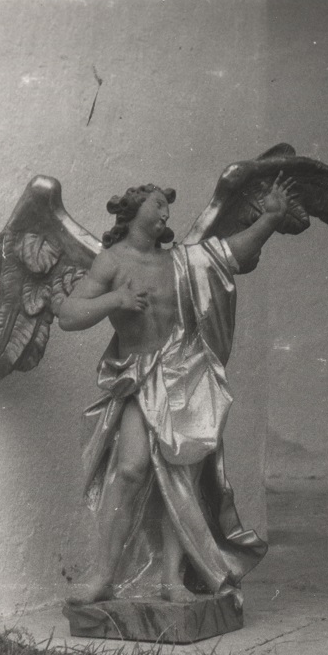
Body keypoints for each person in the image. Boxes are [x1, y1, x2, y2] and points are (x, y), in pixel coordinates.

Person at [55, 175, 292, 603]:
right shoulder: (112, 261)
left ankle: (171, 579)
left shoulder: (183, 260)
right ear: (135, 209)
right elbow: (69, 314)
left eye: (167, 206)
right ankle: (102, 575)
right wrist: (115, 301)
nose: (165, 213)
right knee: (130, 470)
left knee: (180, 481)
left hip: (186, 375)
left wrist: (269, 220)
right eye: (158, 204)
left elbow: (230, 253)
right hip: (139, 377)